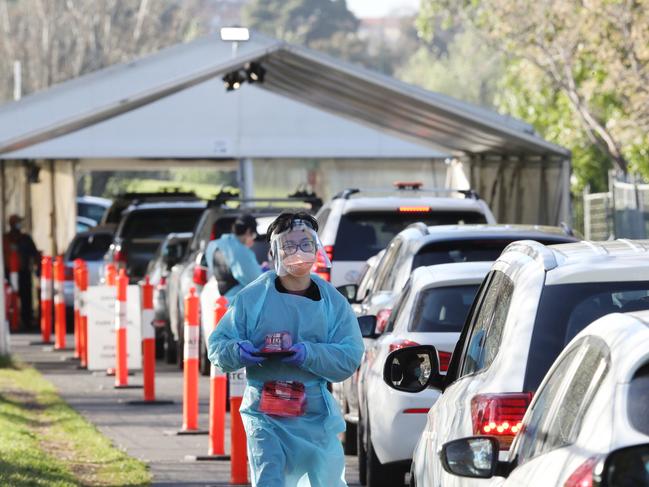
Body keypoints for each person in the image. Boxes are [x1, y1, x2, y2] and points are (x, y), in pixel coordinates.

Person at [208, 212, 364, 487]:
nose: (298, 253)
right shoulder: (253, 298)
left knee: (326, 480)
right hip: (265, 416)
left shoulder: (333, 303)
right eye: (289, 246)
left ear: (316, 248)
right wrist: (239, 351)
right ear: (274, 251)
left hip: (314, 416)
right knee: (270, 479)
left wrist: (309, 354)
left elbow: (349, 356)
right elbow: (218, 346)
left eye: (305, 245)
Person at [205, 214, 262, 300]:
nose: (253, 241)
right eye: (253, 235)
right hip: (236, 304)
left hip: (216, 300)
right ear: (248, 231)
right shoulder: (241, 251)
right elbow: (257, 282)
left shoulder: (213, 245)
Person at [3, 214, 40, 329]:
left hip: (23, 272)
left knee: (26, 298)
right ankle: (10, 320)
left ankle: (26, 320)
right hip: (8, 273)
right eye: (17, 222)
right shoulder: (5, 239)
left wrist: (37, 265)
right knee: (9, 298)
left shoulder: (25, 238)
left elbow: (34, 253)